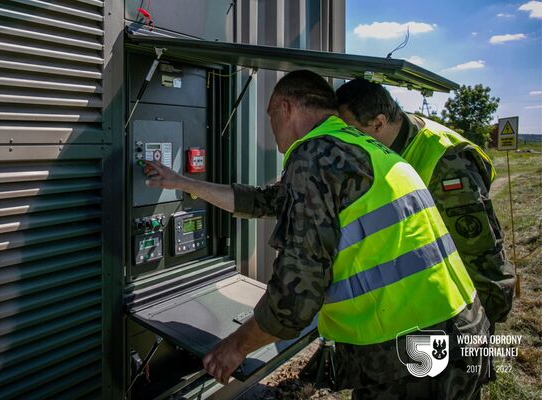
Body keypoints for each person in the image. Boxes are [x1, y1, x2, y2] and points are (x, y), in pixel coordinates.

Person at [143, 70, 490, 399]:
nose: (271, 127)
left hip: (412, 351)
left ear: (286, 107)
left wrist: (235, 347)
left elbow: (296, 297)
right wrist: (182, 183)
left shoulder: (314, 156)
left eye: (270, 116)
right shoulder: (355, 147)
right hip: (462, 328)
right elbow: (266, 200)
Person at [335, 78, 515, 329]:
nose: (343, 142)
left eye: (350, 131)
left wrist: (484, 321)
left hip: (462, 309)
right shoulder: (390, 137)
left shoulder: (446, 162)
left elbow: (477, 249)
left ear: (378, 123)